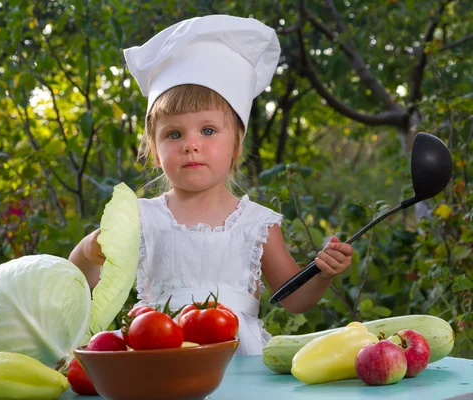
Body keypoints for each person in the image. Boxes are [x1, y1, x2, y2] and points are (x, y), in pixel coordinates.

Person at [69, 15, 353, 355]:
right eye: (174, 134)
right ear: (155, 153)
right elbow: (79, 282)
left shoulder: (257, 224)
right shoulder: (141, 219)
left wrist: (321, 274)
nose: (191, 144)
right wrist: (87, 252)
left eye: (207, 130)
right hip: (158, 349)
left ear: (236, 146)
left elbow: (293, 299)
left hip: (238, 355)